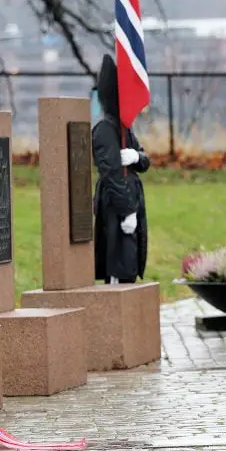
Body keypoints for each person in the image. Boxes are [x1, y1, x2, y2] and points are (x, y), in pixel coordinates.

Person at [92, 54, 150, 284]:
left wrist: (137, 157)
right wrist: (127, 211)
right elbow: (112, 176)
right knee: (119, 264)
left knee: (130, 262)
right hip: (116, 207)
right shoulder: (105, 130)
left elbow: (145, 161)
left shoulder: (124, 128)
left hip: (131, 200)